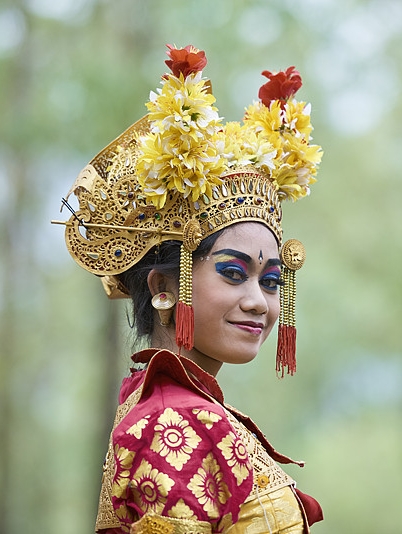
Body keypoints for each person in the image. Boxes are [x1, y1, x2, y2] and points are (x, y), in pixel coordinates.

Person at [56, 44, 323, 533]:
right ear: (163, 286)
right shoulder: (171, 424)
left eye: (270, 281)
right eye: (233, 272)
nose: (258, 302)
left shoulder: (179, 410)